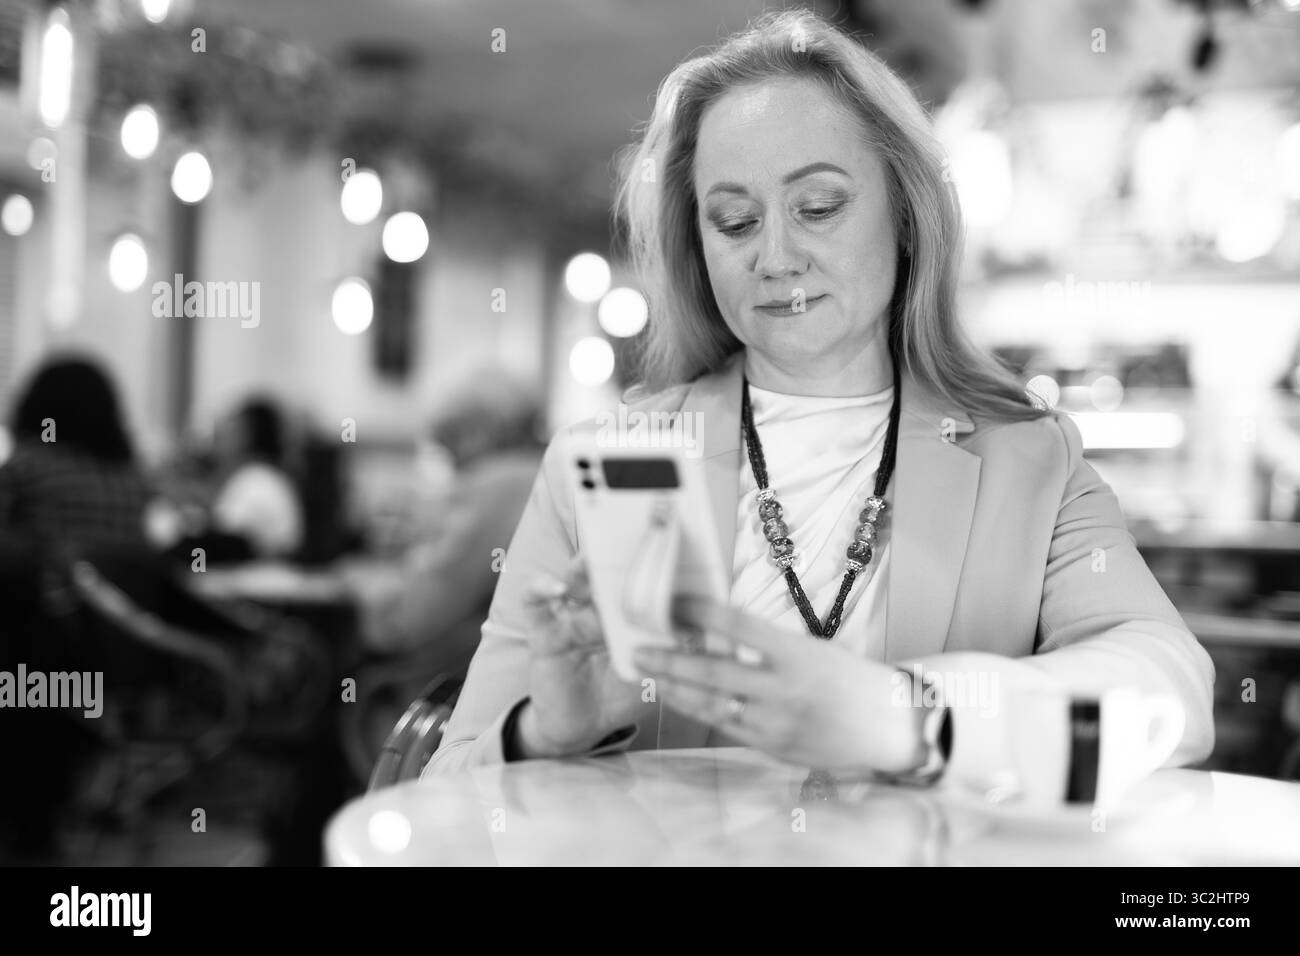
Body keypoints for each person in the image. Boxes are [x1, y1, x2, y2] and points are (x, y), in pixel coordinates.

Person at [425, 11, 1214, 781]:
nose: (774, 256)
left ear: (906, 215)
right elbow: (448, 785)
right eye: (733, 222)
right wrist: (550, 732)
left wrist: (902, 715)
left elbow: (1170, 690)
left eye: (819, 207)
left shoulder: (1030, 458)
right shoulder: (606, 463)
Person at [351, 368, 545, 670]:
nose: (453, 467)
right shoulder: (544, 474)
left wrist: (355, 592)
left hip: (463, 686)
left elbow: (414, 616)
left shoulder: (492, 488)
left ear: (476, 432)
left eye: (450, 443)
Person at [209, 397, 304, 559]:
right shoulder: (268, 478)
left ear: (247, 436)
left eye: (231, 430)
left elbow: (224, 539)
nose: (217, 440)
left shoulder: (254, 480)